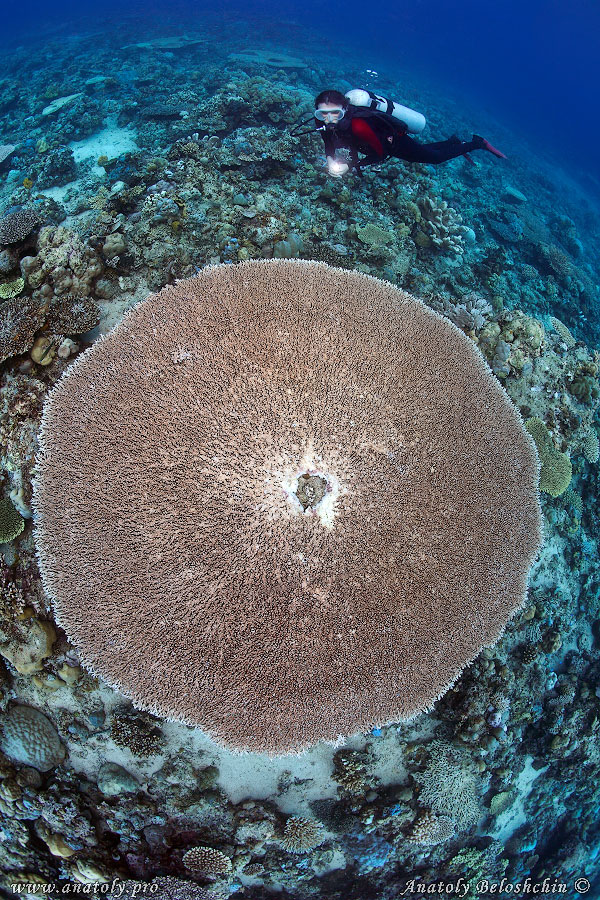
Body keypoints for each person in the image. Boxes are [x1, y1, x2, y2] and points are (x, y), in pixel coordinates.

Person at [313, 89, 506, 178]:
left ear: (345, 109)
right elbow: (328, 142)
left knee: (434, 158)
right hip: (376, 144)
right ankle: (453, 141)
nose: (329, 119)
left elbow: (380, 154)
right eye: (323, 114)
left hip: (394, 142)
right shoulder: (320, 121)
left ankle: (477, 143)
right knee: (422, 151)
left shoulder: (358, 126)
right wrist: (331, 159)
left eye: (335, 113)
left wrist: (354, 167)